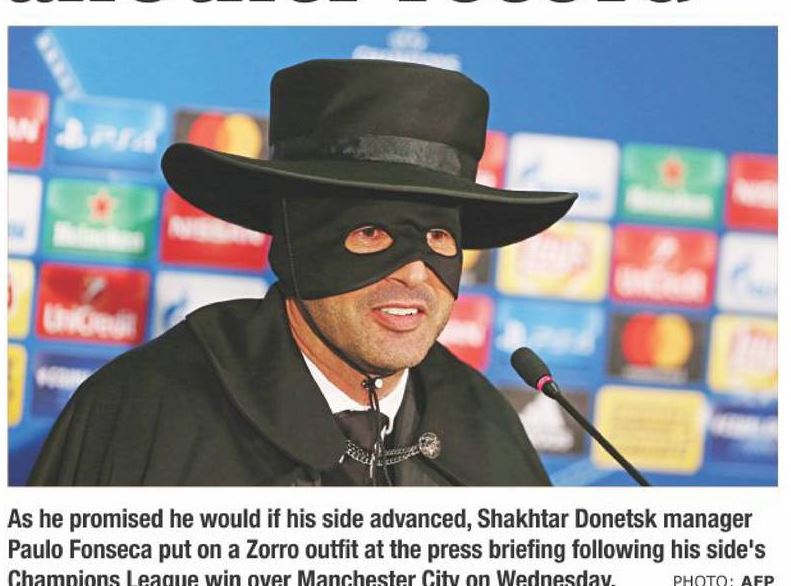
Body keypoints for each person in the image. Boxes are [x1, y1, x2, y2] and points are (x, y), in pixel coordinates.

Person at [28, 59, 576, 486]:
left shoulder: (483, 427)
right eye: (372, 234)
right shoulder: (145, 411)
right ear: (298, 246)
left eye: (439, 238)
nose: (415, 273)